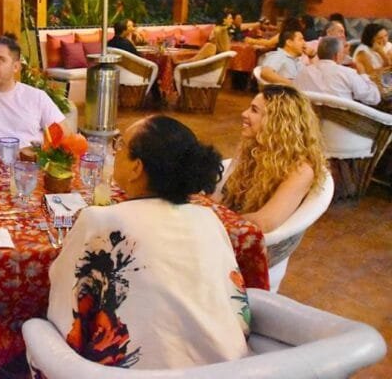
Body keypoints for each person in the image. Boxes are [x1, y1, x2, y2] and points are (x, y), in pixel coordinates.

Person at [47, 116, 250, 370]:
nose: (115, 152)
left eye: (120, 145)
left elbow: (62, 294)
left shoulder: (102, 221)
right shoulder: (209, 218)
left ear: (136, 168)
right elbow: (237, 306)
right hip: (226, 369)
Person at [218, 85, 325, 233]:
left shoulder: (300, 170)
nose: (244, 113)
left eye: (254, 110)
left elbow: (265, 221)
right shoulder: (250, 147)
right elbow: (220, 195)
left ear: (278, 121)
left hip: (247, 240)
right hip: (225, 226)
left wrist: (215, 222)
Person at [294, 38, 380, 105]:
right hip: (344, 124)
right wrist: (363, 74)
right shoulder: (347, 73)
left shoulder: (302, 73)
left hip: (313, 123)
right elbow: (374, 98)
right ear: (337, 56)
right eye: (343, 53)